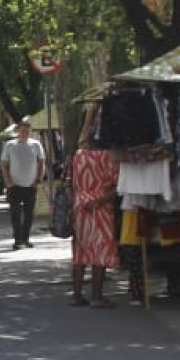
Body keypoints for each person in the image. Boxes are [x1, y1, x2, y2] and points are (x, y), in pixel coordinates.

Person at [66, 128, 120, 306]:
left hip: (79, 205)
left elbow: (68, 183)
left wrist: (74, 203)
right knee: (100, 250)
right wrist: (99, 201)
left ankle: (76, 295)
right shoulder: (109, 157)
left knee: (80, 250)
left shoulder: (77, 156)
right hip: (100, 206)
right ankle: (97, 297)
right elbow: (118, 186)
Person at [0, 119, 46, 249]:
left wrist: (39, 179)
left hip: (30, 185)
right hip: (14, 185)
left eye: (28, 131)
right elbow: (4, 163)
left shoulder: (36, 145)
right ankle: (18, 240)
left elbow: (41, 162)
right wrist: (8, 180)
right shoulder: (9, 145)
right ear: (18, 131)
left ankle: (26, 238)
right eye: (23, 131)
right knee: (15, 214)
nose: (25, 133)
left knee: (29, 214)